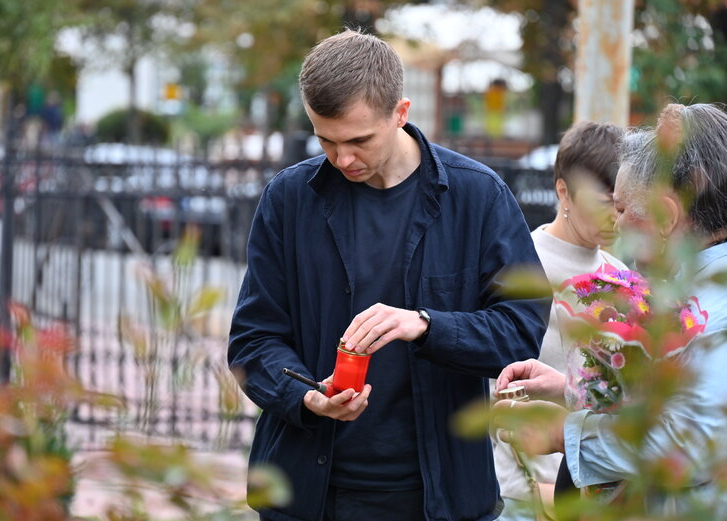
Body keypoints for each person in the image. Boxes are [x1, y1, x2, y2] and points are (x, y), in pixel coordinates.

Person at [228, 29, 551, 521]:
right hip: (308, 497)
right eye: (326, 140)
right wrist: (307, 396)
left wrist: (427, 325)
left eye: (359, 140)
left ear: (400, 113)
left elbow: (522, 331)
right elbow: (253, 342)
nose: (343, 159)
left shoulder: (478, 196)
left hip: (439, 499)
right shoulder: (289, 198)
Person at [494, 103, 727, 515]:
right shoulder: (687, 293)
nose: (615, 225)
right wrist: (578, 389)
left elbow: (688, 440)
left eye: (621, 209)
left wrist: (564, 434)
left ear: (665, 217)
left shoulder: (711, 311)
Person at [493, 121, 628, 521]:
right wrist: (538, 487)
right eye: (603, 202)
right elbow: (498, 389)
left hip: (599, 489)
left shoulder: (624, 276)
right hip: (526, 496)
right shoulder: (523, 265)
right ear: (563, 191)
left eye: (621, 203)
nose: (614, 217)